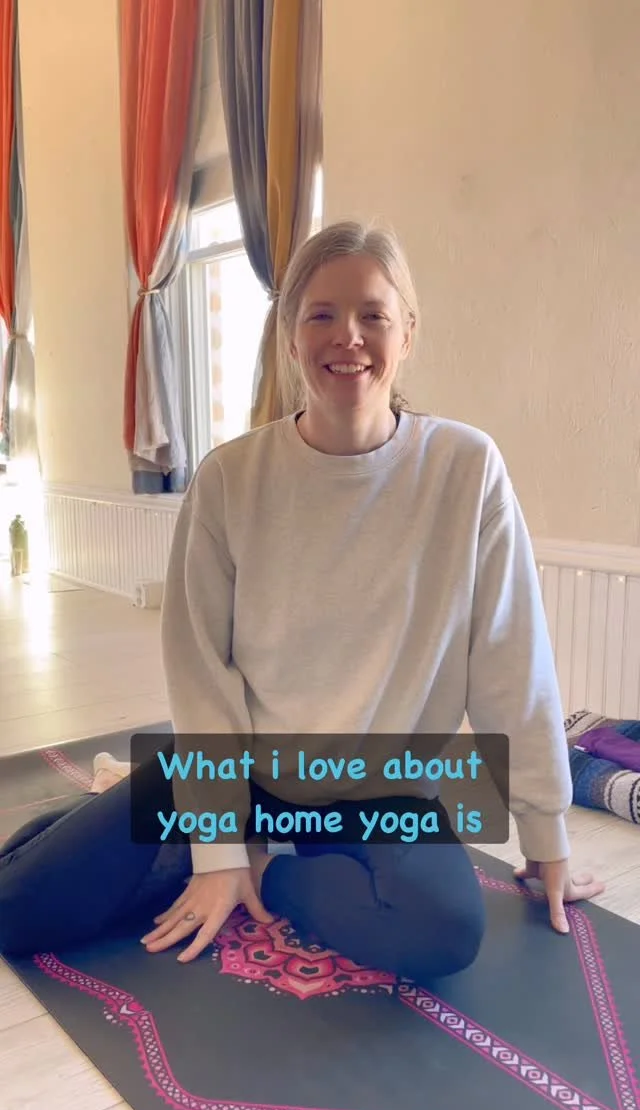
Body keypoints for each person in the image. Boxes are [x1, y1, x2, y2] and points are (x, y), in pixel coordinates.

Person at [0, 220, 603, 984]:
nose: (347, 335)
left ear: (407, 332)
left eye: (372, 314)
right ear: (290, 337)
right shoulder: (229, 478)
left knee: (444, 933)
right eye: (321, 314)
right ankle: (181, 834)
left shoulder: (466, 467)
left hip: (387, 796)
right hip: (246, 776)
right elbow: (201, 673)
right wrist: (218, 847)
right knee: (16, 909)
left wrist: (546, 835)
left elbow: (513, 664)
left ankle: (267, 867)